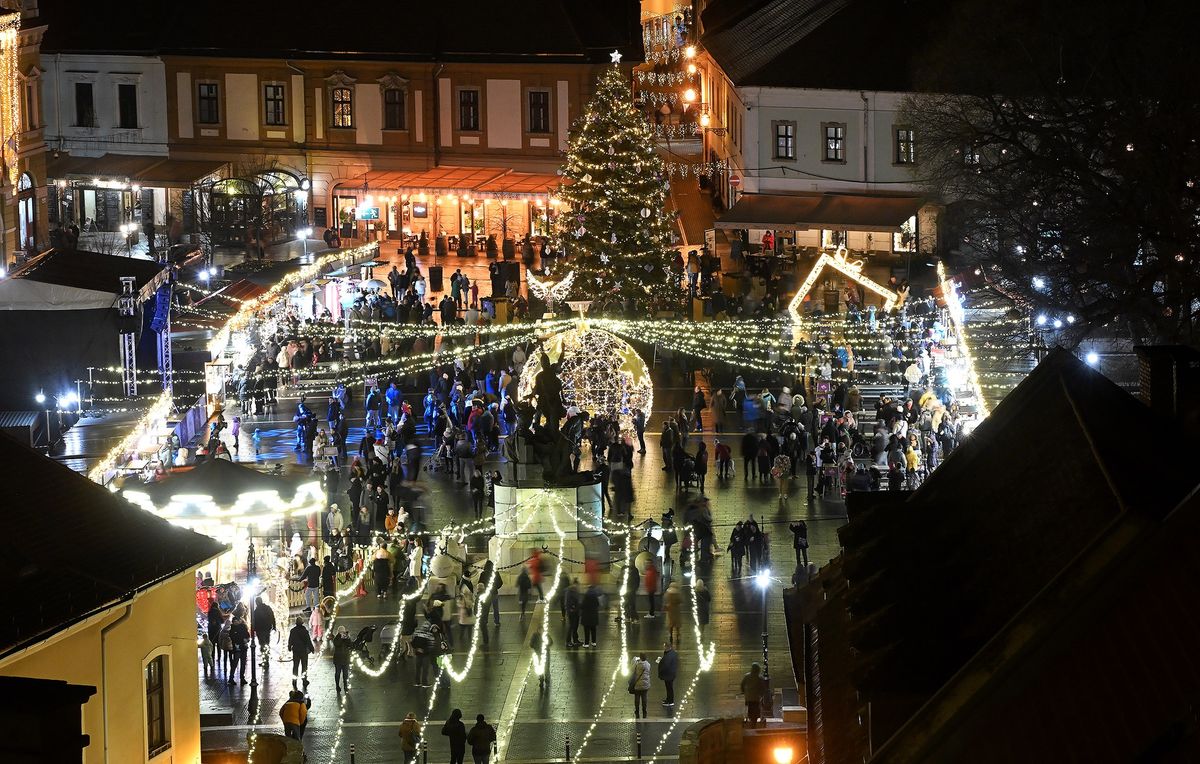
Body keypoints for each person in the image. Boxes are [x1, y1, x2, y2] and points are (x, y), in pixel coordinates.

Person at [288, 615, 315, 685]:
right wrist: (312, 649)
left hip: (296, 651)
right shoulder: (304, 631)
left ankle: (294, 680)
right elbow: (308, 641)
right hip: (303, 651)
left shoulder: (292, 631)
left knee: (295, 666)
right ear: (302, 623)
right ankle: (304, 680)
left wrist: (289, 647)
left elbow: (290, 640)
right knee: (304, 666)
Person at [740, 662, 768, 727]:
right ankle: (754, 721)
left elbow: (742, 684)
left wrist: (743, 691)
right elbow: (763, 688)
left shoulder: (747, 676)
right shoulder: (759, 677)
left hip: (748, 697)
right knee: (756, 709)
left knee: (749, 708)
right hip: (756, 697)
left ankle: (749, 719)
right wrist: (762, 694)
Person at [251, 596, 276, 663]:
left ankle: (265, 660)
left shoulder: (256, 611)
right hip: (267, 628)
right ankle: (266, 658)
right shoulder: (268, 608)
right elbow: (272, 617)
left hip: (260, 630)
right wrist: (274, 626)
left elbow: (254, 621)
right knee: (267, 643)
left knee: (262, 644)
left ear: (256, 602)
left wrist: (254, 629)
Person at [228, 614, 250, 685]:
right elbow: (233, 638)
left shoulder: (243, 627)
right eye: (234, 621)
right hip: (237, 647)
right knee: (235, 663)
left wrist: (246, 640)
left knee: (243, 663)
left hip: (243, 647)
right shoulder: (232, 629)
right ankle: (231, 678)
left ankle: (242, 678)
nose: (236, 622)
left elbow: (247, 635)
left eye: (237, 621)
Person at [331, 625, 353, 692]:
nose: (342, 633)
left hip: (345, 659)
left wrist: (348, 638)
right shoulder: (336, 638)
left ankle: (345, 686)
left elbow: (351, 645)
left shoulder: (346, 638)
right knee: (337, 673)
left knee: (345, 674)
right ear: (338, 632)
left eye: (343, 632)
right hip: (338, 660)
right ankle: (337, 686)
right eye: (341, 632)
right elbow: (337, 644)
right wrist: (341, 637)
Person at [630, 653, 652, 719]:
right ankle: (644, 711)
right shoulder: (648, 664)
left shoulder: (637, 664)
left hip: (637, 684)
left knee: (637, 698)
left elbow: (631, 669)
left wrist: (634, 660)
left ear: (640, 657)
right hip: (645, 684)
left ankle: (637, 711)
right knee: (644, 698)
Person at [658, 641, 679, 706]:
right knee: (668, 688)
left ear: (667, 647)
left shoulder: (669, 655)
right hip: (671, 674)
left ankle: (670, 701)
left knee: (669, 688)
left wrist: (660, 665)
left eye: (664, 646)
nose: (663, 647)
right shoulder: (672, 653)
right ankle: (668, 699)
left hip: (668, 674)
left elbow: (666, 665)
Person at [581, 583, 601, 647]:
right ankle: (594, 642)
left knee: (586, 630)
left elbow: (583, 605)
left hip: (586, 616)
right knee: (593, 630)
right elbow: (598, 604)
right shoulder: (595, 596)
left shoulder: (586, 596)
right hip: (594, 616)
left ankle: (586, 643)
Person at [664, 581, 682, 646]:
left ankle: (671, 635)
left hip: (670, 610)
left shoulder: (668, 593)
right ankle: (677, 636)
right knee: (677, 625)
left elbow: (665, 600)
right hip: (676, 610)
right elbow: (681, 600)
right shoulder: (678, 593)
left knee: (670, 624)